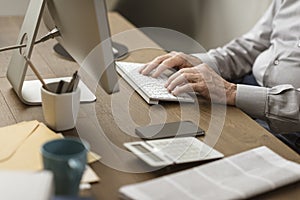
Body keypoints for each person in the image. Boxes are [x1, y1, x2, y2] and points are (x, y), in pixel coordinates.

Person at [140, 0, 300, 134]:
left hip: (287, 127)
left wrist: (232, 92)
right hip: (246, 86)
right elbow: (253, 45)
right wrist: (198, 62)